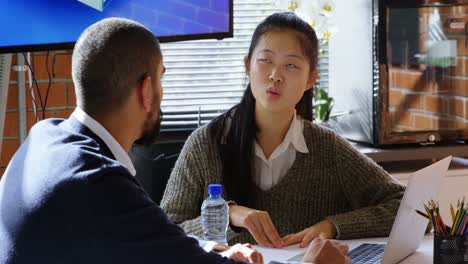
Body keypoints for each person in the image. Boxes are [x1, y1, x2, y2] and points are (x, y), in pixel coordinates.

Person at [0, 17, 350, 264]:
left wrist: (211, 253)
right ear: (146, 90)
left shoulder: (44, 137)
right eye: (162, 78)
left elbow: (157, 243)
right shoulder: (100, 183)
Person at [160, 12, 405, 248]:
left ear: (311, 80)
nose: (275, 76)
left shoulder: (328, 148)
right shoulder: (206, 142)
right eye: (265, 61)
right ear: (247, 66)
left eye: (291, 65)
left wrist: (333, 226)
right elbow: (160, 231)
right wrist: (229, 214)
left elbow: (408, 207)